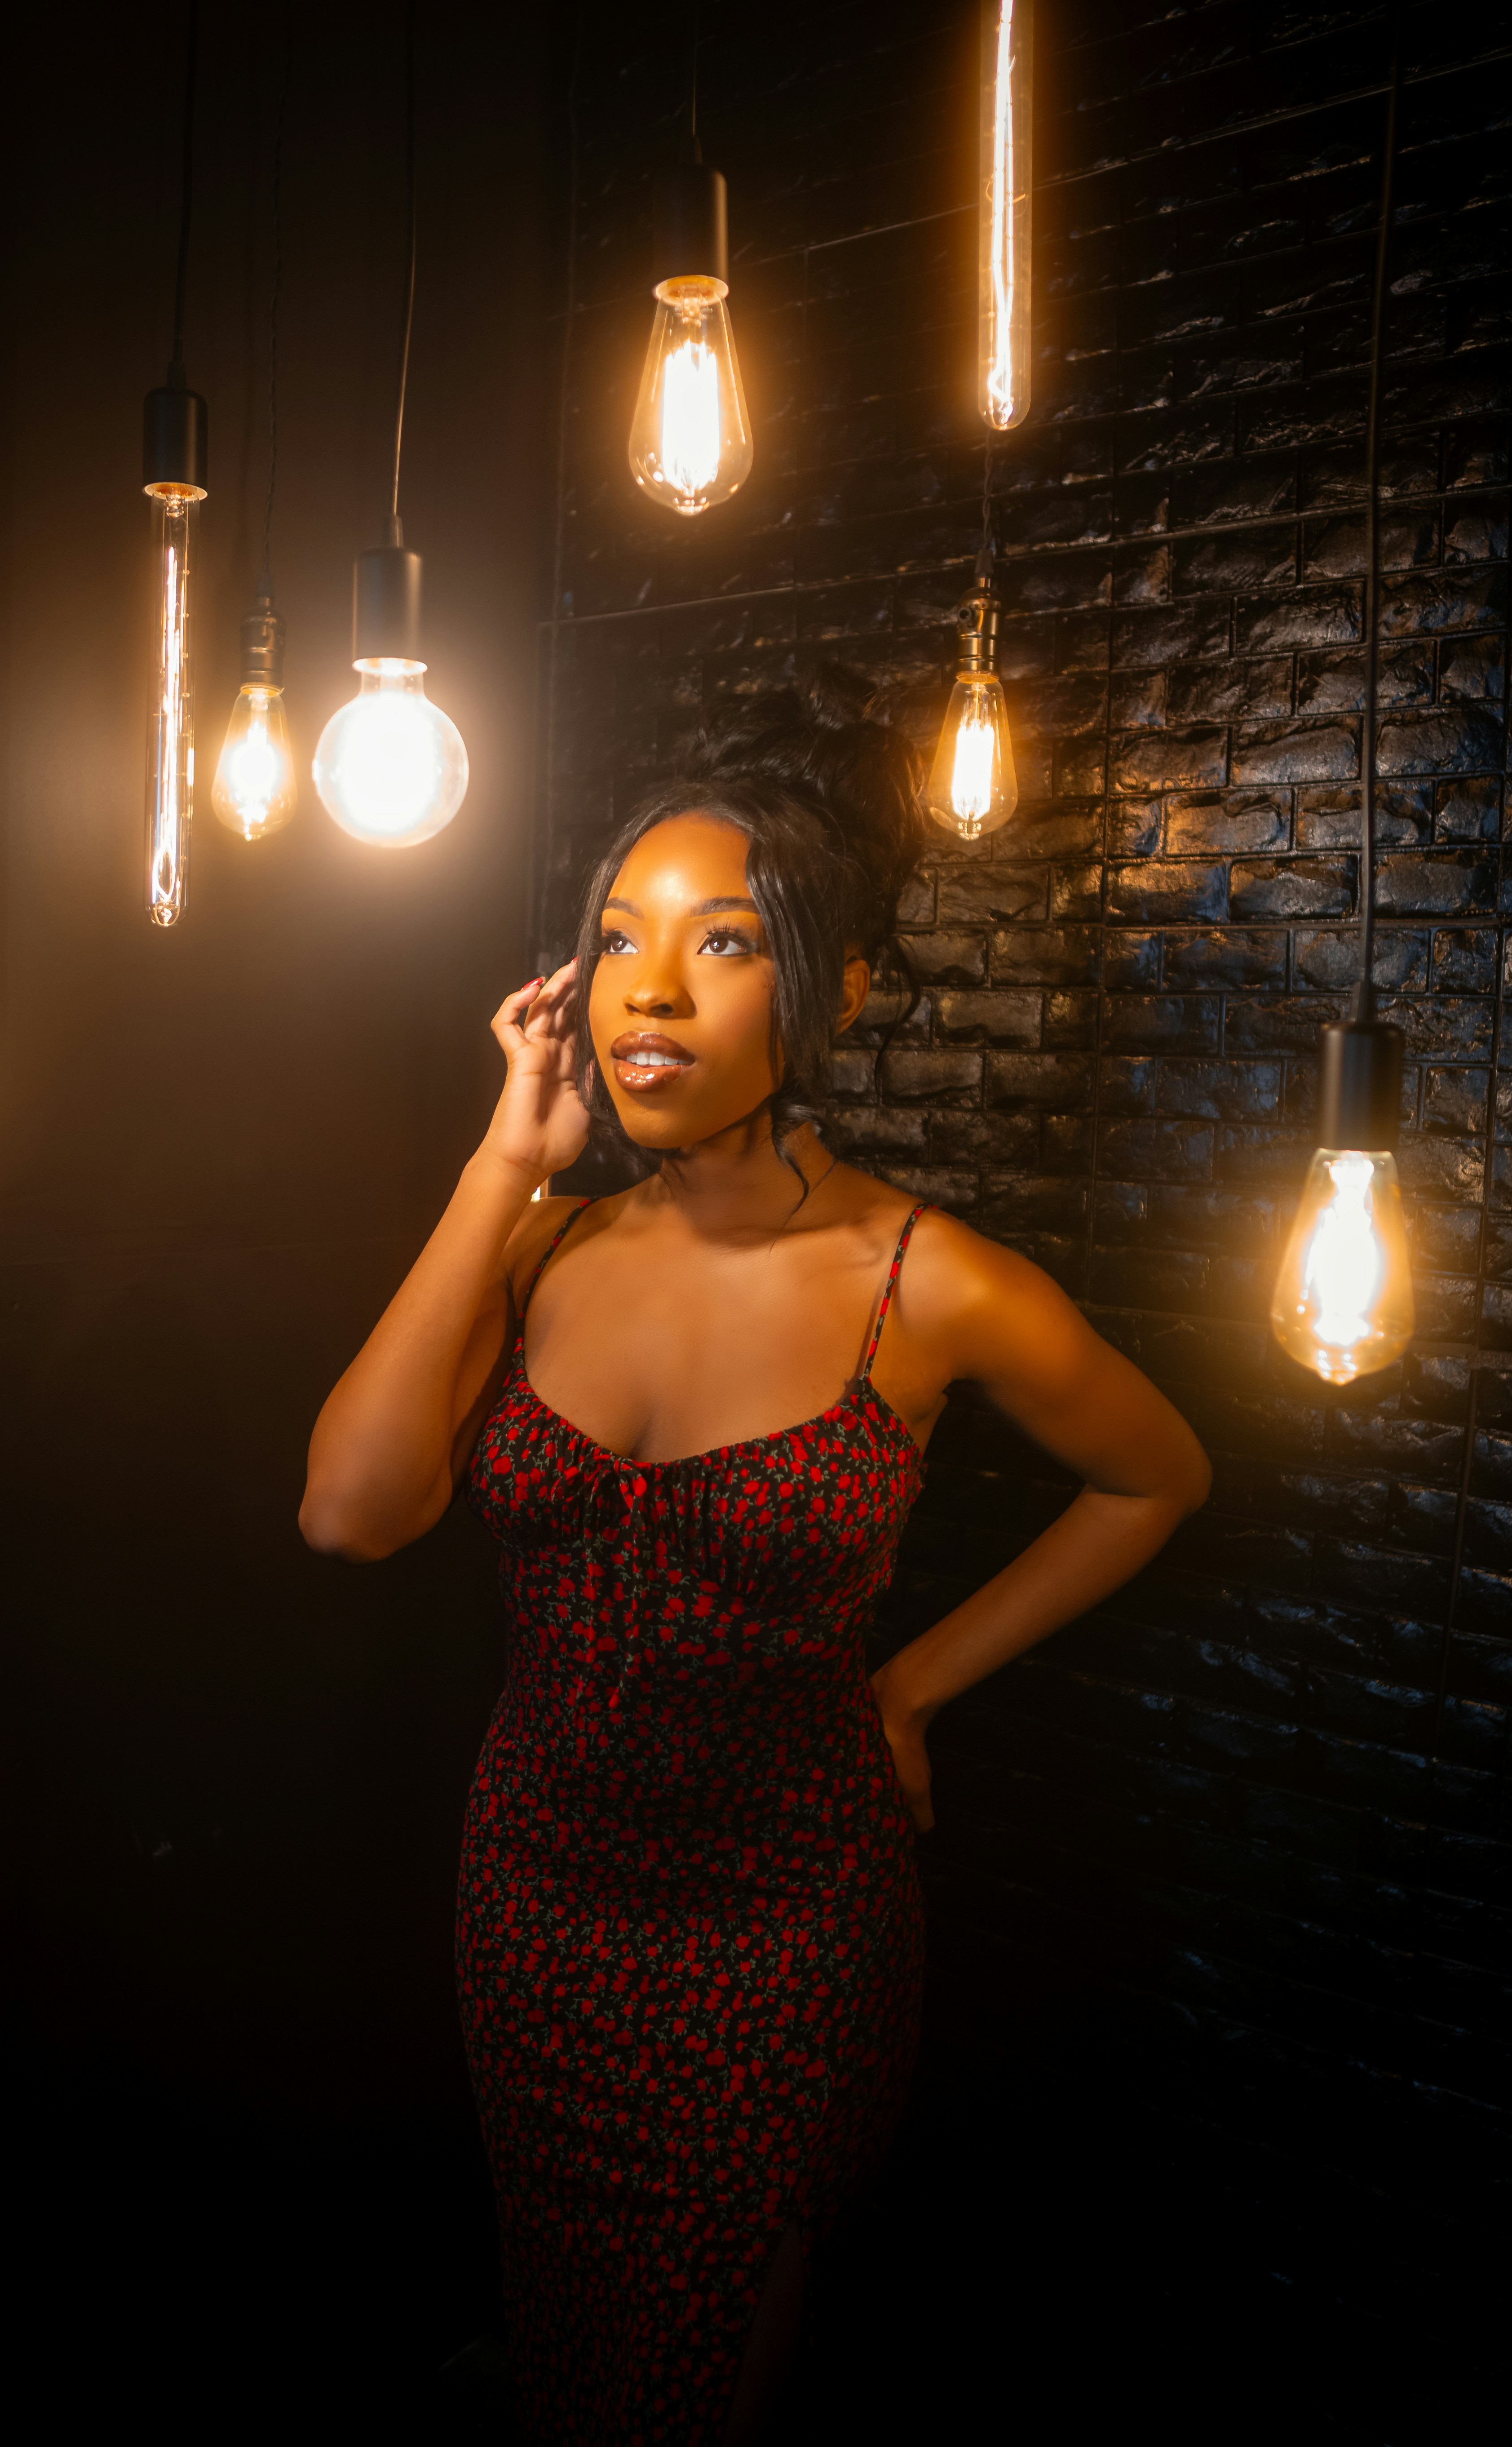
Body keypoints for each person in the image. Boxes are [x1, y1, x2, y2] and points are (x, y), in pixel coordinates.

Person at [299, 675, 1211, 2445]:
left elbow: (1154, 1474)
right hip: (535, 1902)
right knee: (567, 2348)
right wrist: (504, 1160)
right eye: (619, 938)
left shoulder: (925, 1282)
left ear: (837, 989)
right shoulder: (539, 1248)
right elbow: (349, 1513)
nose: (650, 988)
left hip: (784, 1926)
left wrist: (911, 1685)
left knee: (704, 2391)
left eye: (721, 942)